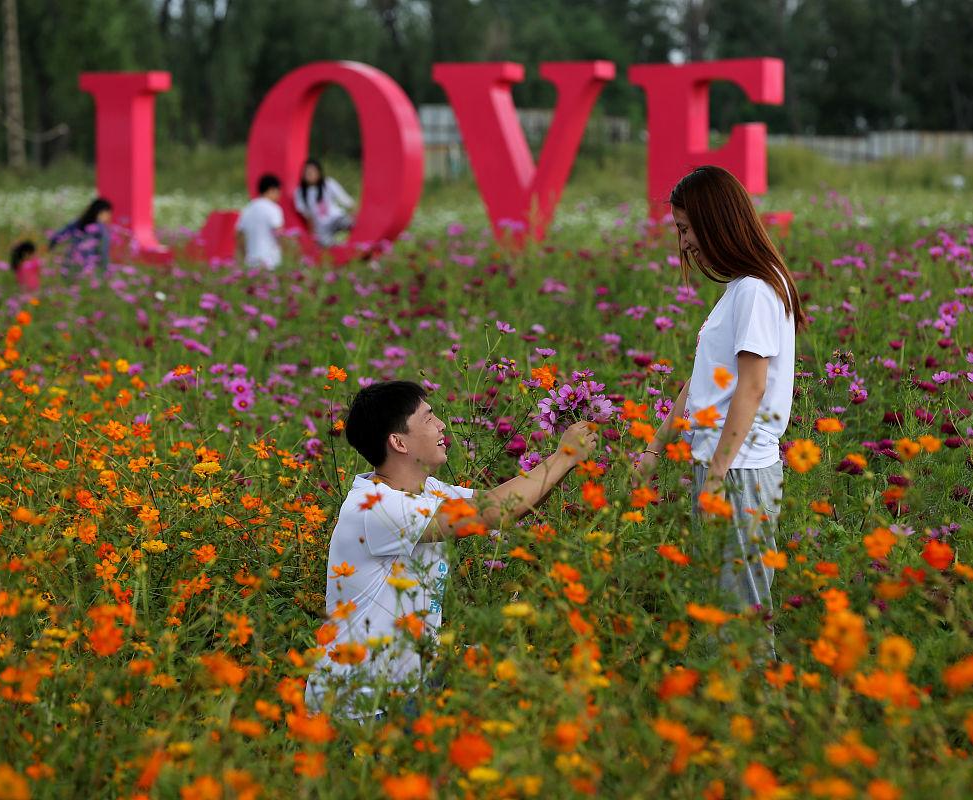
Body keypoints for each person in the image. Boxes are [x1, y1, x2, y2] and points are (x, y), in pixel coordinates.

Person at [305, 381, 598, 717]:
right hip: (361, 706)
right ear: (398, 442)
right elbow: (494, 511)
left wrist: (565, 463)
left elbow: (507, 508)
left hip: (407, 689)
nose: (442, 425)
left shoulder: (426, 489)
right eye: (429, 419)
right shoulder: (375, 507)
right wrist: (562, 456)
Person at [634, 165, 805, 649]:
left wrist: (716, 476)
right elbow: (701, 385)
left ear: (713, 221)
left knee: (739, 627)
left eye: (685, 228)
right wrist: (654, 449)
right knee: (719, 618)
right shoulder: (741, 289)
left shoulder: (754, 289)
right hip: (724, 467)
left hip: (739, 473)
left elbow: (751, 389)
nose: (683, 242)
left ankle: (756, 719)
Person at [294, 158, 355, 246]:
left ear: (319, 173)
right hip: (322, 228)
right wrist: (312, 236)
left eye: (312, 171)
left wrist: (353, 214)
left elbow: (347, 201)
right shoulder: (300, 192)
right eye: (306, 172)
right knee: (328, 246)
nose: (309, 174)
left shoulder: (328, 183)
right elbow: (308, 217)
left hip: (336, 219)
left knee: (350, 222)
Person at [49, 197, 111, 272]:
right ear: (102, 212)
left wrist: (53, 250)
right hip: (89, 269)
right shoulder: (101, 229)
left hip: (70, 264)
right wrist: (105, 270)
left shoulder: (77, 223)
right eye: (108, 213)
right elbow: (103, 251)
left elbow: (56, 237)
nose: (109, 217)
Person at [236, 174, 285, 269]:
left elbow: (238, 234)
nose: (279, 195)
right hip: (271, 262)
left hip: (251, 262)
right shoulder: (274, 209)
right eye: (278, 191)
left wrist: (245, 254)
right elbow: (279, 233)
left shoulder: (248, 208)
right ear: (271, 190)